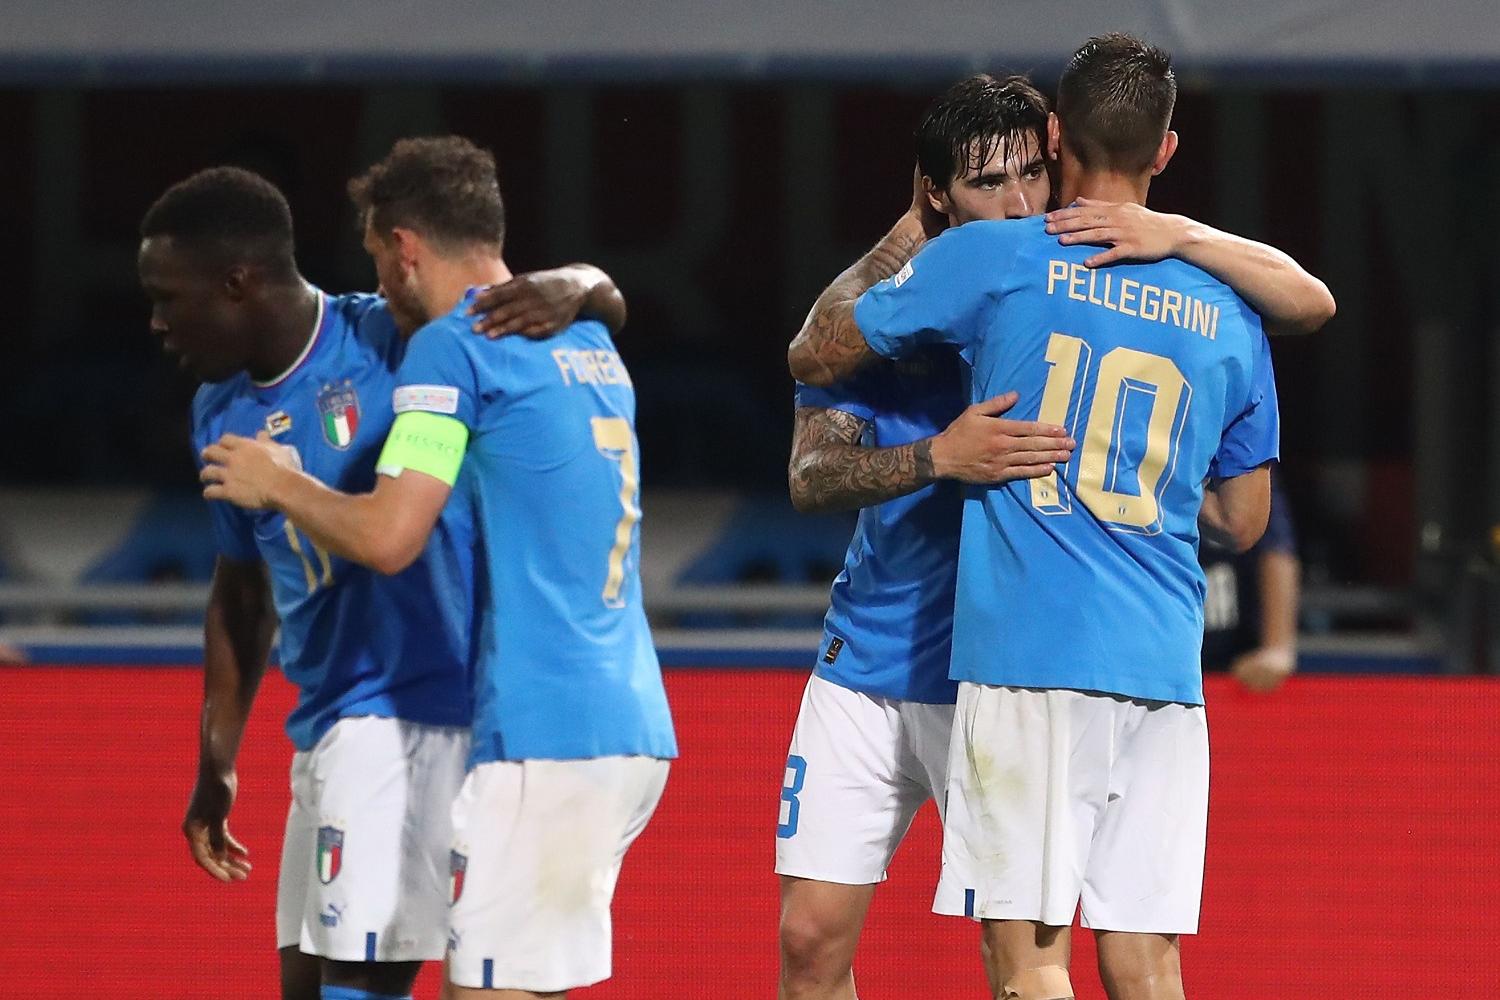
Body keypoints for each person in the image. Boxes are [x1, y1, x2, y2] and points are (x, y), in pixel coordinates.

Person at [779, 71, 1331, 1000]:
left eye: (1030, 175)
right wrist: (936, 459)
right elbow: (809, 448)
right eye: (985, 185)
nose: (1018, 202)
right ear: (934, 195)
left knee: (1027, 961)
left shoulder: (1008, 268)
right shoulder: (1204, 303)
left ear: (1057, 145)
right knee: (812, 943)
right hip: (881, 654)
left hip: (1012, 658)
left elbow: (811, 342)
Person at [198, 136, 677, 1000]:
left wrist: (282, 483)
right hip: (628, 712)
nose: (379, 281)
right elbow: (604, 299)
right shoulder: (586, 335)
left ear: (406, 246)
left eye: (381, 257)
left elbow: (388, 537)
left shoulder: (451, 350)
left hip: (545, 723)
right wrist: (588, 279)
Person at [1202, 473, 1300, 691]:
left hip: (1231, 658)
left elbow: (1275, 547)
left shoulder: (1233, 456)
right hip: (1158, 649)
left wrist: (1277, 648)